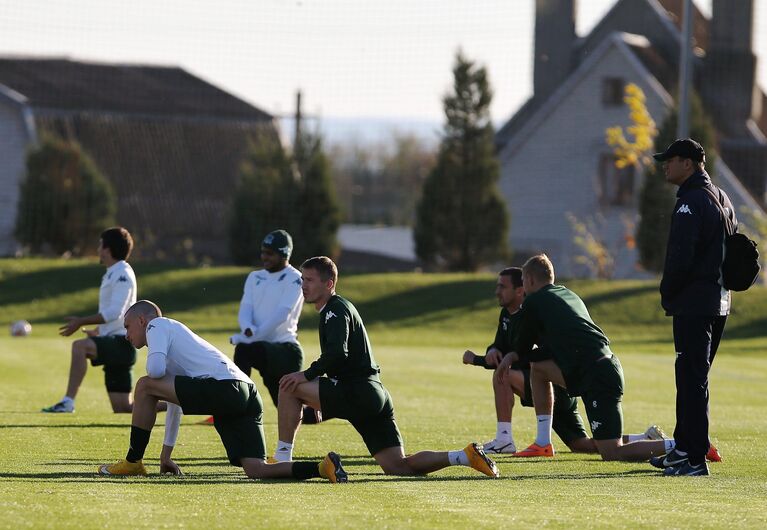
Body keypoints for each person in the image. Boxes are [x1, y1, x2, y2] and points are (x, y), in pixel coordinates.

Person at [273, 256, 499, 478]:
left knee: (288, 385)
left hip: (356, 391)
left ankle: (281, 460)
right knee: (398, 467)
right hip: (374, 395)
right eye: (302, 279)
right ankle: (464, 456)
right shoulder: (338, 308)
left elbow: (337, 355)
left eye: (310, 280)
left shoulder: (335, 309)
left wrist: (305, 374)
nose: (304, 285)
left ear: (329, 283)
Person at [97, 300, 346, 483]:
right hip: (247, 392)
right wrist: (165, 456)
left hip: (226, 389)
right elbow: (175, 403)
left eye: (128, 327)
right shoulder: (171, 339)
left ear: (143, 320)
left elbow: (154, 371)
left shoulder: (157, 326)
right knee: (256, 470)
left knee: (143, 385)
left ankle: (132, 462)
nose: (126, 335)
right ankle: (322, 468)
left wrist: (153, 388)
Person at [466, 267, 667, 456]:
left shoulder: (535, 306)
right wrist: (493, 351)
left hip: (571, 381)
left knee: (505, 374)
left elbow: (524, 352)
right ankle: (646, 438)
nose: (497, 291)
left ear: (525, 285)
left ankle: (507, 440)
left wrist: (477, 359)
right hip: (584, 371)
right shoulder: (557, 298)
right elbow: (504, 347)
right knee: (584, 445)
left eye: (502, 286)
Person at [509, 254, 675, 462]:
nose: (523, 287)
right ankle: (543, 443)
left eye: (523, 281)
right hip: (602, 366)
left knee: (612, 452)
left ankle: (686, 444)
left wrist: (509, 358)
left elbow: (522, 347)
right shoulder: (567, 294)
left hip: (596, 374)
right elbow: (554, 347)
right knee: (539, 368)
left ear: (531, 280)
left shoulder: (535, 300)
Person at [649, 139, 731, 476]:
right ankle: (683, 448)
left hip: (695, 303)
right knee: (693, 376)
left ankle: (694, 458)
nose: (665, 166)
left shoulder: (691, 201)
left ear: (688, 163)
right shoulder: (721, 197)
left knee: (692, 378)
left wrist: (667, 291)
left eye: (670, 160)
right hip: (719, 301)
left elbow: (681, 256)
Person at [201, 230, 319, 424]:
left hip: (285, 351)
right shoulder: (254, 277)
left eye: (270, 253)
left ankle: (234, 405)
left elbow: (282, 315)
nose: (264, 257)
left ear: (284, 254)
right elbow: (245, 310)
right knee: (289, 410)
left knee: (245, 351)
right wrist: (247, 329)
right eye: (263, 252)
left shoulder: (295, 278)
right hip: (261, 348)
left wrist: (249, 338)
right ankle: (234, 405)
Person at [42, 227, 138, 414]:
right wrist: (99, 332)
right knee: (124, 409)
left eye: (100, 245)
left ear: (108, 249)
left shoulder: (122, 274)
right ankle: (180, 404)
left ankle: (68, 402)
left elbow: (114, 313)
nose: (98, 250)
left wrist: (80, 321)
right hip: (116, 343)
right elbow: (118, 315)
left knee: (79, 346)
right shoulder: (113, 272)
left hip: (122, 344)